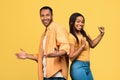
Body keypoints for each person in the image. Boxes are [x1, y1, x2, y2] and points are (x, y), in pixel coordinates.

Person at [16, 6, 70, 80]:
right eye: (42, 15)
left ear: (52, 16)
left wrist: (57, 53)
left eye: (47, 15)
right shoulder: (44, 34)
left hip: (56, 76)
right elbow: (42, 56)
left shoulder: (59, 28)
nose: (45, 18)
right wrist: (27, 55)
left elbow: (66, 47)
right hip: (45, 75)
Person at [68, 13, 105, 80]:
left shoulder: (84, 33)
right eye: (78, 21)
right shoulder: (71, 36)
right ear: (72, 22)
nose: (80, 24)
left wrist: (101, 34)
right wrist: (82, 46)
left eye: (82, 22)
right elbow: (71, 57)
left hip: (87, 66)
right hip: (78, 67)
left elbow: (92, 44)